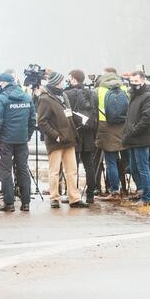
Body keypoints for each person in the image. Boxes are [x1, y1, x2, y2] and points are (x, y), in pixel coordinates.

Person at [37, 71, 89, 209]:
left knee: (72, 171)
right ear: (55, 82)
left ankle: (74, 198)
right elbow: (42, 122)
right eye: (61, 81)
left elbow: (68, 115)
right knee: (54, 171)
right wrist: (56, 136)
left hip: (69, 139)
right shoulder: (45, 98)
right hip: (56, 141)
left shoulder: (64, 95)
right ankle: (54, 197)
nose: (64, 82)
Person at [0, 72, 36, 212]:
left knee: (5, 171)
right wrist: (26, 136)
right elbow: (32, 121)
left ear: (3, 83)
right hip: (21, 141)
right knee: (22, 169)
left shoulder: (1, 99)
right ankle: (26, 203)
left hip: (5, 141)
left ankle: (9, 204)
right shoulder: (27, 98)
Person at [122, 71, 150, 206]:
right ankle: (143, 192)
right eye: (132, 81)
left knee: (143, 168)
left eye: (136, 81)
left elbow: (147, 118)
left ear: (143, 81)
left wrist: (134, 131)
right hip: (131, 138)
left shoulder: (148, 96)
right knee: (134, 168)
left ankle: (148, 197)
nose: (134, 83)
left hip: (141, 138)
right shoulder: (133, 95)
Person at [65, 69, 99, 204]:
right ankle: (90, 195)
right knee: (89, 165)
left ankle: (74, 195)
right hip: (89, 133)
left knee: (73, 167)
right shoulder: (92, 93)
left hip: (75, 133)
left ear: (73, 79)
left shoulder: (67, 94)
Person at [95, 69, 129, 200]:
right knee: (124, 160)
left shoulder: (99, 91)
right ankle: (126, 189)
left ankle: (114, 191)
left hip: (106, 130)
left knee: (111, 162)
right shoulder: (124, 88)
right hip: (123, 128)